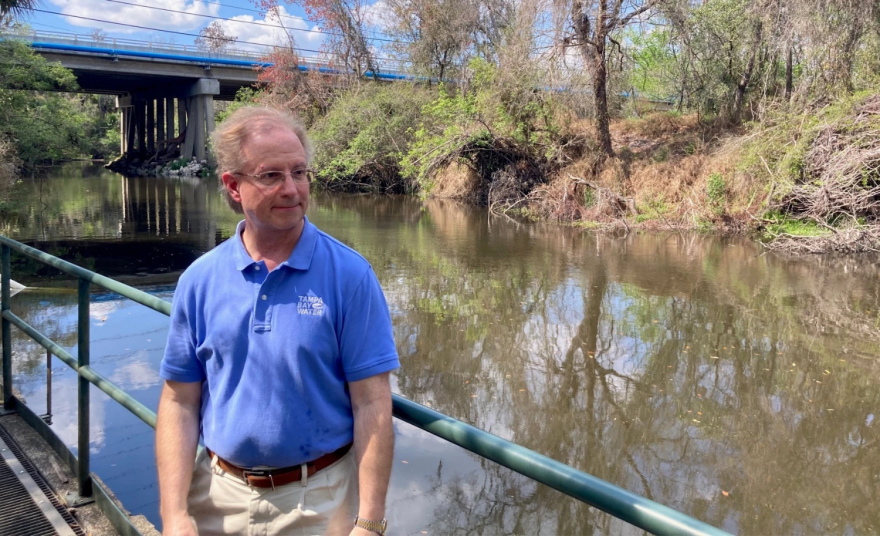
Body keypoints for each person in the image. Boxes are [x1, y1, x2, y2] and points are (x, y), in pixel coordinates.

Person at [155, 106, 399, 536]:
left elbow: (372, 403)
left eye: (300, 172)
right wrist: (175, 514)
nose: (292, 189)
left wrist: (371, 522)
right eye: (271, 176)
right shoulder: (199, 280)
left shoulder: (350, 276)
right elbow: (179, 402)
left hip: (321, 503)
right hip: (215, 497)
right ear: (233, 186)